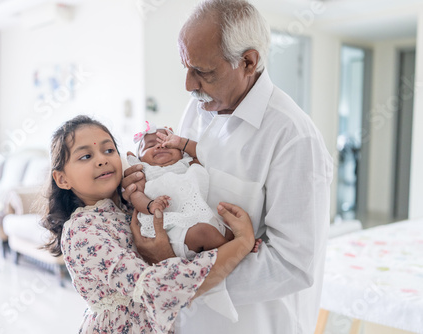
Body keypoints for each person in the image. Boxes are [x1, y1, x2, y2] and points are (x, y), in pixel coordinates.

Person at [122, 0, 334, 333]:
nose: (188, 85)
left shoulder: (293, 137)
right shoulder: (197, 110)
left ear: (248, 62)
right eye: (186, 67)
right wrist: (142, 181)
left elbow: (293, 264)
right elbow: (182, 190)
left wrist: (181, 276)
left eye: (203, 72)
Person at [40, 115, 257, 333]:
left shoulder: (127, 207)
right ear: (62, 179)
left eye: (108, 151)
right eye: (86, 156)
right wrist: (241, 244)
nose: (102, 160)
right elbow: (159, 288)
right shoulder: (82, 231)